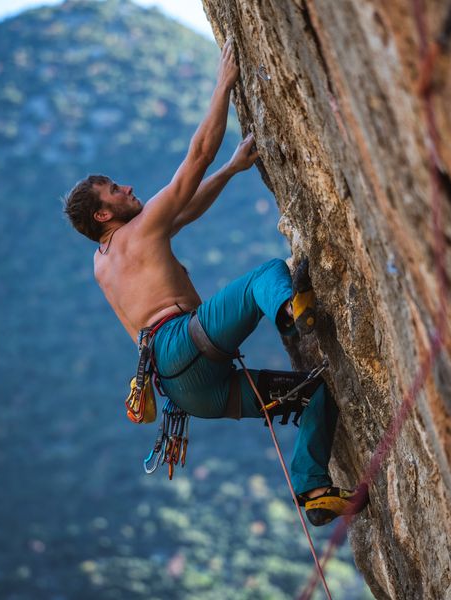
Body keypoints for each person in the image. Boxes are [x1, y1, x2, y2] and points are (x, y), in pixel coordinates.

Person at [62, 39, 366, 525]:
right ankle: (293, 312)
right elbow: (197, 154)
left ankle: (312, 490)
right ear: (103, 213)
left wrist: (232, 168)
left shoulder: (105, 261)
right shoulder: (139, 231)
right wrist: (224, 83)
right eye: (116, 190)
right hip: (184, 343)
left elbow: (185, 210)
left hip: (184, 393)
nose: (129, 188)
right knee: (266, 275)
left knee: (315, 394)